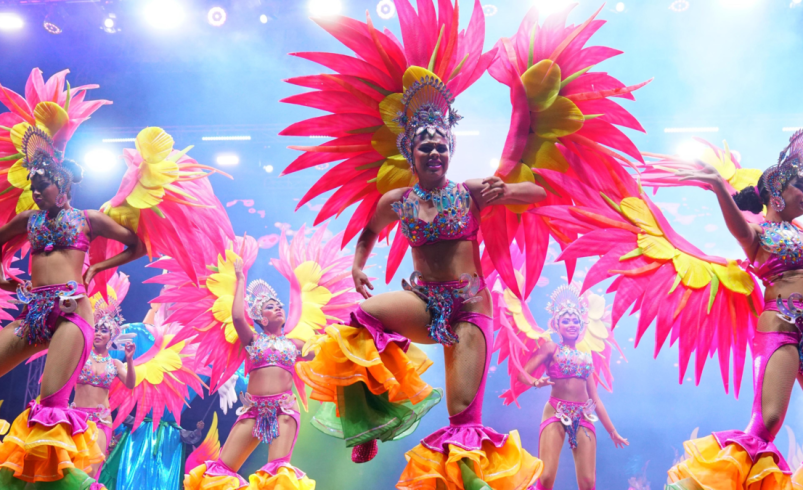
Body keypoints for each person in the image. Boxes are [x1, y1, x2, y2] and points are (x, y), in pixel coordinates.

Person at [295, 66, 546, 489]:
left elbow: (538, 194)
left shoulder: (469, 192)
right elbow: (368, 232)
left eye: (441, 147)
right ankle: (369, 423)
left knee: (463, 417)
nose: (434, 153)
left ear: (450, 152)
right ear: (410, 153)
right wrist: (358, 264)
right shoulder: (397, 201)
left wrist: (506, 190)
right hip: (425, 303)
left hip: (469, 308)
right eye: (425, 146)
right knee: (362, 319)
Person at [0, 126, 145, 488]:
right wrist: (5, 278)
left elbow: (137, 245)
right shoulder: (28, 221)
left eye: (42, 187)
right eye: (33, 188)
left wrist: (97, 268)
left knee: (50, 408)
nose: (36, 193)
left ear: (62, 186)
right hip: (34, 313)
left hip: (72, 311)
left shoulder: (87, 219)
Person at [660, 131, 803, 489]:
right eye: (800, 186)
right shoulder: (759, 232)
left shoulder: (800, 231)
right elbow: (739, 229)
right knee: (768, 420)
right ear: (777, 191)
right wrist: (718, 189)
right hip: (783, 325)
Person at [515, 284, 628, 490]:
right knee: (546, 476)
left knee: (588, 481)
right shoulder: (551, 348)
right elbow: (520, 373)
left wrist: (612, 431)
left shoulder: (586, 357)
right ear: (556, 325)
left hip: (583, 415)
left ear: (581, 325)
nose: (571, 324)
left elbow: (595, 399)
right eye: (566, 321)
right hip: (556, 410)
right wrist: (535, 382)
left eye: (575, 321)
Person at [72, 274, 136, 483]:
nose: (99, 333)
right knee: (71, 468)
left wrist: (129, 360)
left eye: (104, 331)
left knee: (89, 473)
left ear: (111, 336)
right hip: (76, 417)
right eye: (96, 329)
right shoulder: (81, 355)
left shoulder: (115, 363)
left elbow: (131, 384)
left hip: (101, 420)